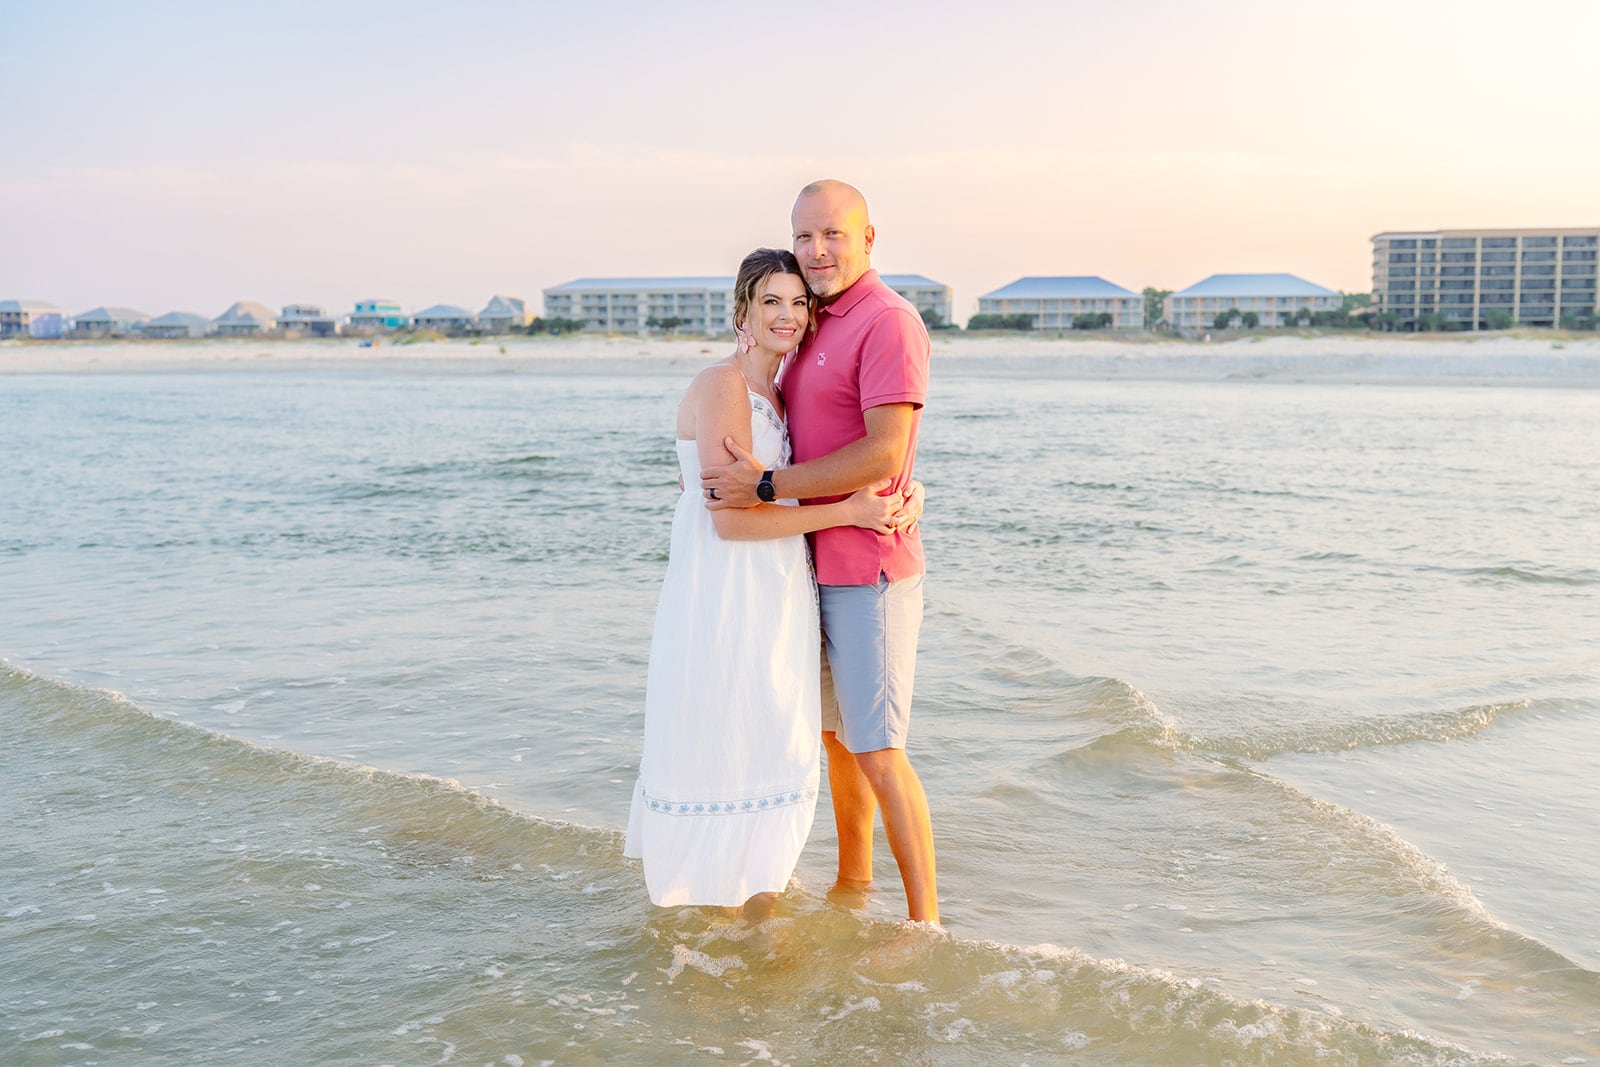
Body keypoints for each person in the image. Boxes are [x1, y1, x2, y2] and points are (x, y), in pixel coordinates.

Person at [623, 247, 915, 917]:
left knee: (769, 733)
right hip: (727, 591)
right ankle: (726, 912)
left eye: (798, 302)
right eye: (772, 302)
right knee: (735, 731)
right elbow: (731, 523)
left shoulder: (778, 393)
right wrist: (853, 511)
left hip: (776, 587)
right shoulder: (724, 385)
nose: (788, 315)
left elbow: (815, 473)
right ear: (743, 312)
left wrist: (907, 490)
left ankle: (753, 903)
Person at [701, 180, 939, 924]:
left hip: (867, 568)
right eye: (805, 237)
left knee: (878, 747)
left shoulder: (888, 321)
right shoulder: (812, 323)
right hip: (808, 568)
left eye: (833, 234)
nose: (817, 251)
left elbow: (884, 449)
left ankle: (926, 922)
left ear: (869, 238)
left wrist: (768, 484)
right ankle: (853, 883)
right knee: (838, 741)